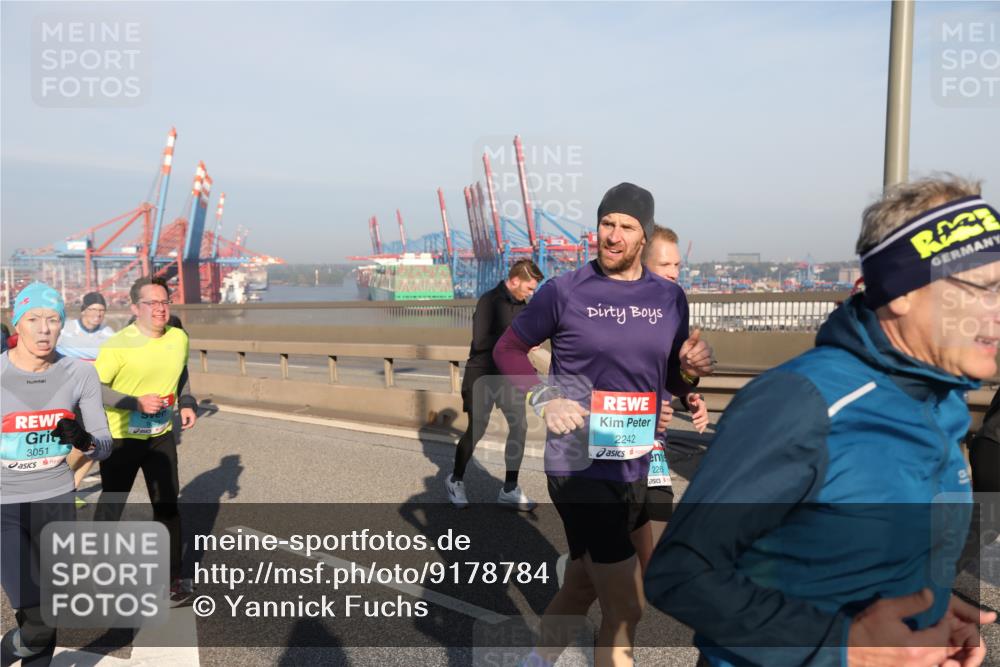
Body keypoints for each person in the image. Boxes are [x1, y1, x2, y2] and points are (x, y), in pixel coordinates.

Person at [645, 176, 999, 666]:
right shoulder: (803, 403)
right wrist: (842, 643)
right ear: (902, 293)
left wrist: (931, 612)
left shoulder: (943, 404)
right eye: (983, 287)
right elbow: (680, 572)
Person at [493, 183, 714, 667]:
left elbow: (666, 372)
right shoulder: (564, 291)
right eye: (606, 223)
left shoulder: (670, 298)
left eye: (626, 227)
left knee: (581, 587)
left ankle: (534, 662)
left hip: (635, 461)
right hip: (578, 466)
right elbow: (506, 348)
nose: (612, 236)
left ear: (644, 235)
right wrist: (545, 397)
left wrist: (691, 377)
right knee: (627, 604)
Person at [1, 282, 112, 664]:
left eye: (53, 320)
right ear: (18, 323)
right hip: (4, 506)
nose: (44, 329)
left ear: (62, 325)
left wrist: (84, 439)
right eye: (34, 319)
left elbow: (104, 443)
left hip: (55, 501)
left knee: (48, 614)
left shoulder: (78, 374)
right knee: (35, 617)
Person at [94, 276, 198, 602]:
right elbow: (92, 389)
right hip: (122, 438)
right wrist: (133, 402)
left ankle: (172, 581)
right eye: (151, 303)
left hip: (160, 435)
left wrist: (188, 402)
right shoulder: (117, 345)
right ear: (135, 307)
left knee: (167, 507)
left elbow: (179, 371)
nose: (160, 308)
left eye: (164, 302)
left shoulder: (179, 338)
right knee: (112, 505)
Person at [445, 259, 544, 511]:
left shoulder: (525, 307)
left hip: (508, 377)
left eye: (534, 290)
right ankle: (455, 480)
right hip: (482, 375)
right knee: (476, 430)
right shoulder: (489, 301)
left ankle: (509, 489)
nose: (531, 294)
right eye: (529, 288)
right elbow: (479, 341)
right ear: (514, 281)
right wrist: (515, 339)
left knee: (519, 428)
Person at [640, 225, 709, 557]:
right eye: (664, 265)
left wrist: (690, 394)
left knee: (656, 517)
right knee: (610, 551)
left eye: (677, 266)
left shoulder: (675, 305)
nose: (673, 273)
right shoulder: (618, 313)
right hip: (611, 442)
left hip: (655, 443)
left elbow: (671, 371)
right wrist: (649, 406)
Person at [57, 291, 116, 491]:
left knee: (96, 446)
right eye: (93, 309)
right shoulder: (66, 330)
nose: (97, 314)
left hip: (92, 395)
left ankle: (70, 489)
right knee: (79, 444)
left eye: (101, 310)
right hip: (65, 393)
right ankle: (58, 483)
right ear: (83, 311)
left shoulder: (109, 334)